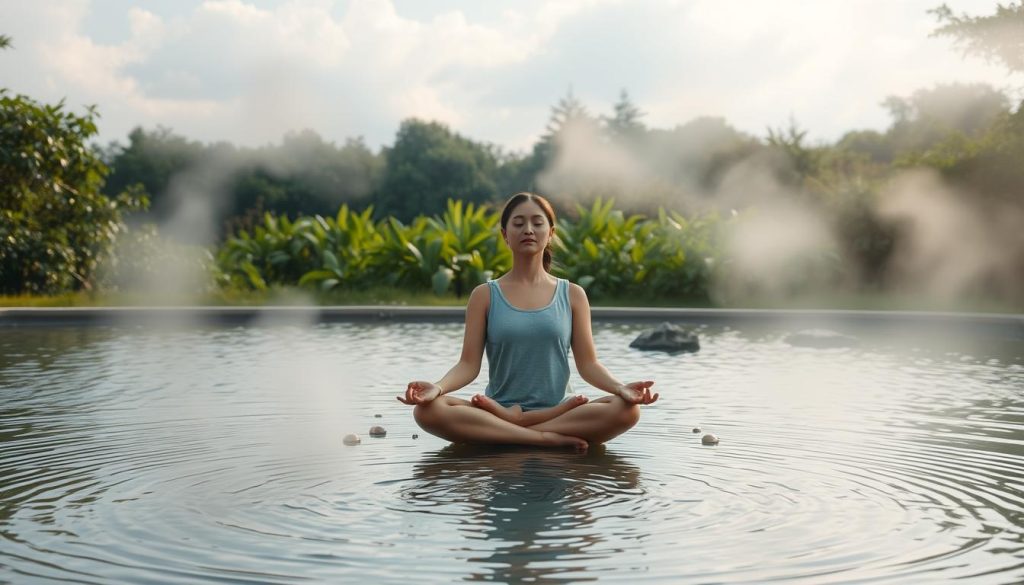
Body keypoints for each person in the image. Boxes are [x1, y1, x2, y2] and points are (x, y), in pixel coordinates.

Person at [397, 192, 659, 451]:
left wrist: (621, 388)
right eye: (519, 223)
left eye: (537, 222)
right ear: (505, 235)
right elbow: (468, 365)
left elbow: (589, 364)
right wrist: (438, 388)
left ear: (551, 232)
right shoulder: (484, 295)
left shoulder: (573, 295)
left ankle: (511, 431)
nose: (528, 230)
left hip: (560, 412)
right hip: (497, 410)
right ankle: (541, 438)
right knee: (427, 411)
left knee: (627, 410)